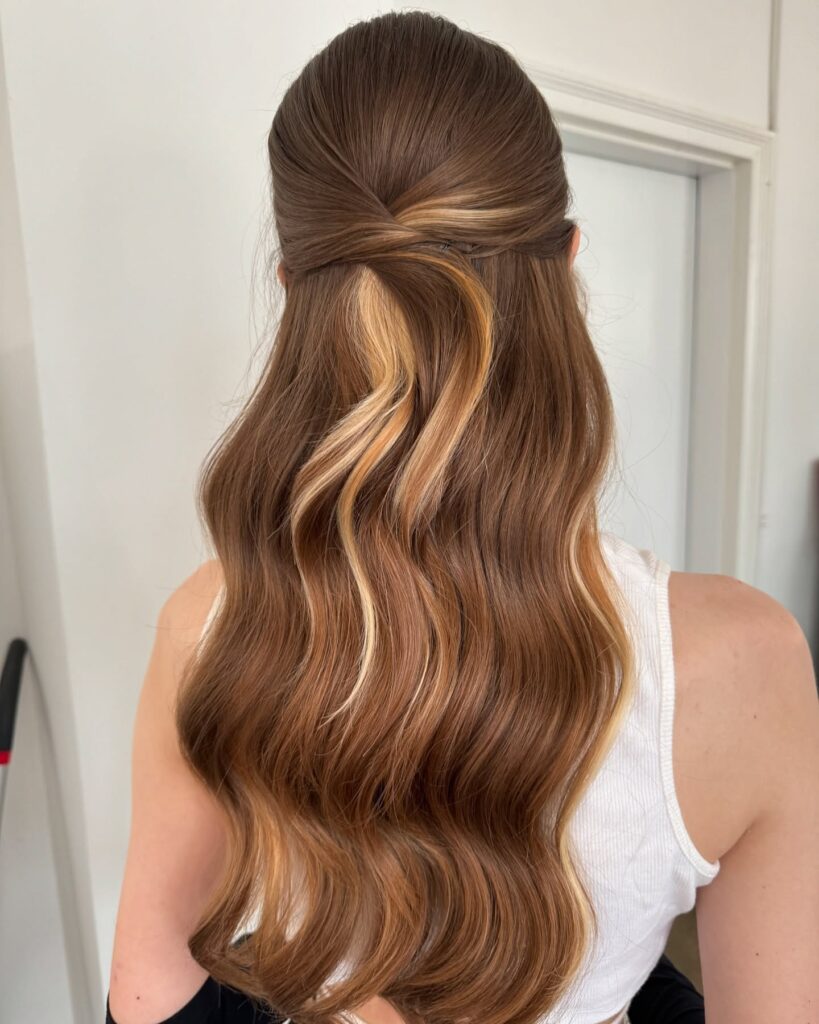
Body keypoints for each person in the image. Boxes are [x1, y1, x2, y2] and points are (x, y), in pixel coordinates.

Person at [105, 11, 819, 1024]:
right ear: (566, 262)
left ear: (292, 291)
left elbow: (148, 994)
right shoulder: (744, 665)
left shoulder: (216, 622)